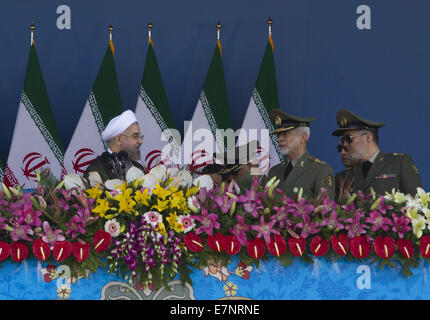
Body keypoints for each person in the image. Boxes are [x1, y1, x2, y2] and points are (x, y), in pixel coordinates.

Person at [332, 109, 422, 200]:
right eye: (343, 141)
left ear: (368, 138)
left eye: (348, 139)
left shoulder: (399, 163)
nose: (345, 144)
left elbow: (417, 203)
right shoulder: (343, 177)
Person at [266, 109, 335, 200]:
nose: (279, 139)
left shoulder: (320, 170)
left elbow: (325, 210)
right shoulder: (274, 171)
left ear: (303, 137)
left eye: (286, 134)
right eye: (279, 134)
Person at [84, 109, 146, 181]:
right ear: (118, 139)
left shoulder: (138, 167)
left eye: (140, 137)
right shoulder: (96, 169)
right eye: (135, 136)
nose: (140, 141)